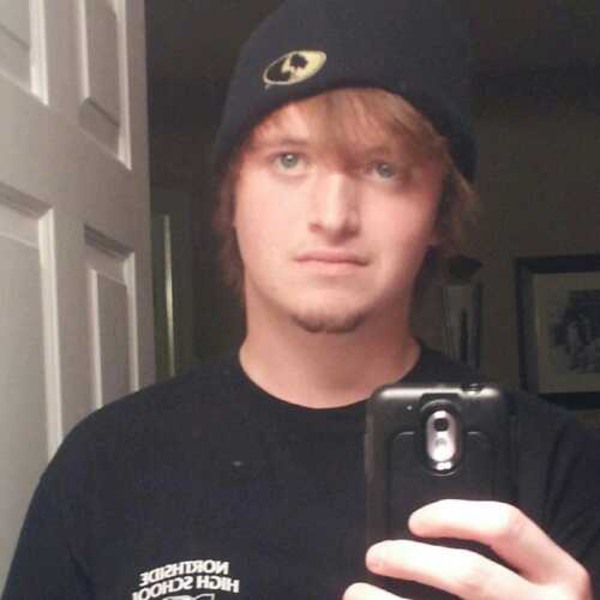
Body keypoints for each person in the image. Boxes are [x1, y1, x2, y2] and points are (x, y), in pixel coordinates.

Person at [3, 1, 600, 599]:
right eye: (289, 160)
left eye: (385, 168)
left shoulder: (559, 465)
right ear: (232, 195)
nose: (333, 217)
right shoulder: (103, 466)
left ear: (439, 214)